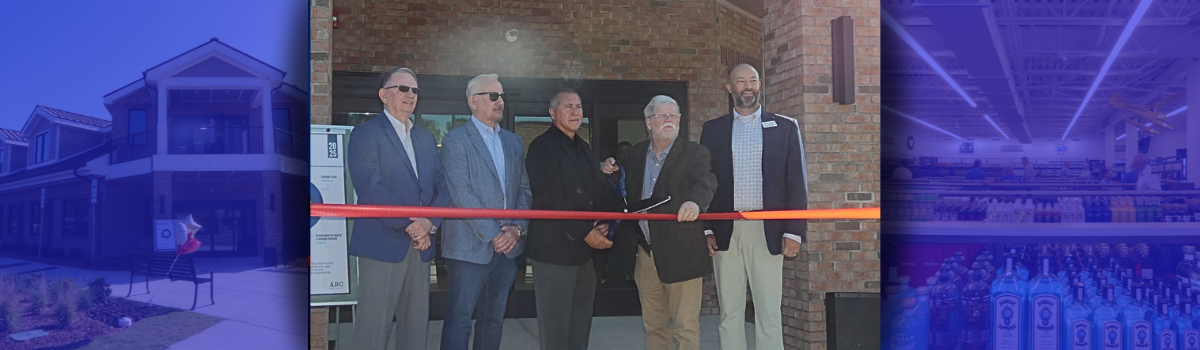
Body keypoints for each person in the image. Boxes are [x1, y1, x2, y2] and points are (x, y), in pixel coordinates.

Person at [698, 63, 806, 350]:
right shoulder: (712, 130)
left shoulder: (785, 127)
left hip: (768, 230)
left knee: (768, 312)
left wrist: (795, 232)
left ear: (760, 85)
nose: (748, 86)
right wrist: (706, 226)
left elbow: (796, 182)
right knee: (729, 312)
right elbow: (705, 182)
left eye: (753, 81)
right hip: (725, 231)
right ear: (729, 88)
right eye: (741, 81)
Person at [602, 95, 717, 350]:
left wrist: (695, 203)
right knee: (654, 326)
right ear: (648, 122)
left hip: (682, 253)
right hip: (645, 254)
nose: (669, 120)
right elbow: (621, 191)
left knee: (685, 327)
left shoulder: (695, 153)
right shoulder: (634, 154)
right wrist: (609, 169)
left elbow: (705, 181)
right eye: (662, 115)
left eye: (673, 115)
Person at [346, 67, 448, 350]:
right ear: (383, 95)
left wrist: (428, 223)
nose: (410, 95)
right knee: (372, 330)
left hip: (421, 244)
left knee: (415, 330)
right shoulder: (365, 134)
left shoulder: (426, 139)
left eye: (415, 90)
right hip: (382, 242)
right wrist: (411, 225)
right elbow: (371, 188)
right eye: (403, 88)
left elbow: (442, 187)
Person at [439, 74, 533, 350]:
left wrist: (517, 228)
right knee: (459, 320)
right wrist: (495, 234)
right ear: (473, 101)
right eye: (493, 96)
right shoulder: (456, 141)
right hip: (469, 248)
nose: (500, 101)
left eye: (502, 96)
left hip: (508, 249)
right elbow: (461, 193)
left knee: (493, 320)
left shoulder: (514, 142)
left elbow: (524, 190)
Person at [524, 89, 620, 350]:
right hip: (553, 252)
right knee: (555, 331)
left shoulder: (584, 148)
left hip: (583, 255)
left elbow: (595, 193)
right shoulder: (541, 147)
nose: (576, 111)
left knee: (580, 327)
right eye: (568, 107)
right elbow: (548, 198)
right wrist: (585, 232)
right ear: (552, 113)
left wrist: (604, 222)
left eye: (578, 106)